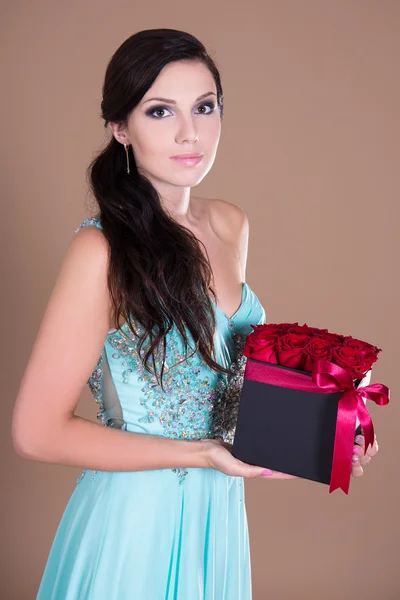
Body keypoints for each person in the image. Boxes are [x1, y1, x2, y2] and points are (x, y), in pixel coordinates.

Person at [11, 28, 378, 600]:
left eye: (205, 108)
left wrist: (331, 427)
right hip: (136, 521)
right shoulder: (102, 250)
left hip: (219, 511)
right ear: (119, 127)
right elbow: (35, 432)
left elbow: (228, 387)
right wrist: (201, 454)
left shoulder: (230, 224)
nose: (190, 133)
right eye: (160, 111)